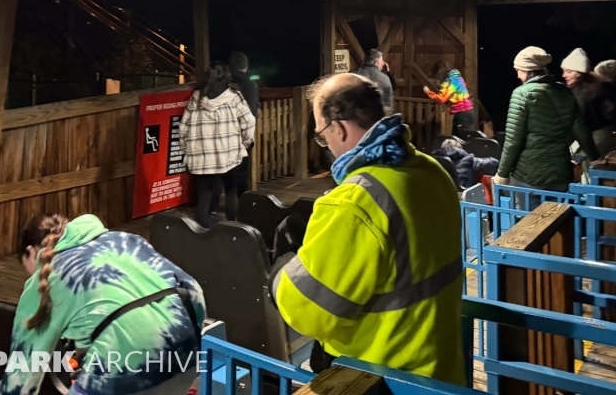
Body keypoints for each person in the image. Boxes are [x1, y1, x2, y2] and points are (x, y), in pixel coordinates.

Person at [271, 74, 464, 384]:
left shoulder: (355, 201)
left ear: (339, 127)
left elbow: (308, 314)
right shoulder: (432, 169)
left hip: (381, 379)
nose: (326, 144)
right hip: (442, 372)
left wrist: (284, 265)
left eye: (322, 135)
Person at [1, 213, 205, 395]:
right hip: (185, 353)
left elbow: (22, 371)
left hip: (123, 369)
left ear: (30, 251)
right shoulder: (124, 240)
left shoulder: (47, 278)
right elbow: (192, 289)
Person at [493, 47, 599, 192]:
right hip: (561, 173)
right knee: (560, 213)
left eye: (519, 71)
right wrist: (595, 158)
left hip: (529, 174)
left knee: (531, 215)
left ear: (527, 70)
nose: (518, 76)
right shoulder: (565, 92)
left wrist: (502, 174)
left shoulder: (522, 94)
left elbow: (513, 141)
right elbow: (581, 132)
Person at [180, 63, 255, 228]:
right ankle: (232, 226)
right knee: (230, 191)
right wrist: (245, 143)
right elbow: (249, 121)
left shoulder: (196, 98)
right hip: (229, 154)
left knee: (204, 195)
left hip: (201, 156)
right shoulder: (234, 97)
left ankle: (201, 232)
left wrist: (187, 149)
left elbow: (183, 128)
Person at [560, 48, 611, 155]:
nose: (564, 75)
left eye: (569, 71)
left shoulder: (582, 92)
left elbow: (577, 122)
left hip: (594, 139)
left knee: (591, 169)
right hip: (605, 135)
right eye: (564, 71)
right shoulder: (597, 84)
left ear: (580, 72)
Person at [229, 51, 259, 196]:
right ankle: (242, 199)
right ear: (245, 67)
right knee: (242, 170)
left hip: (225, 130)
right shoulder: (249, 85)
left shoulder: (225, 83)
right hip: (242, 132)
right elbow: (251, 110)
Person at [423, 62, 477, 134]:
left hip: (462, 114)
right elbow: (452, 92)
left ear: (440, 73)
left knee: (459, 140)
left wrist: (428, 92)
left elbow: (442, 99)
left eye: (437, 75)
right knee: (465, 139)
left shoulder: (450, 81)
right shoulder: (457, 77)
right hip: (469, 112)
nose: (437, 78)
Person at [353, 48, 396, 113]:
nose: (383, 64)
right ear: (376, 62)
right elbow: (388, 103)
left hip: (357, 115)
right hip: (377, 115)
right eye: (381, 62)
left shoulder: (353, 75)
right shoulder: (385, 78)